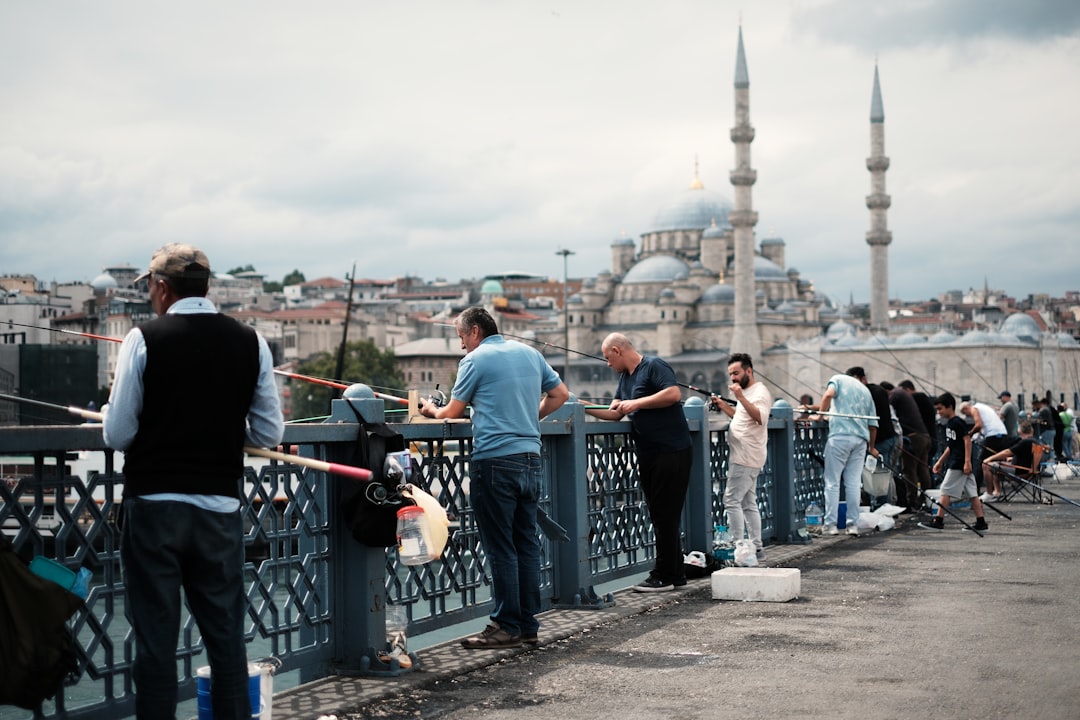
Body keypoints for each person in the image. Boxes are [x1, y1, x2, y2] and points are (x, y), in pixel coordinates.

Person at [103, 243, 284, 720]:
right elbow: (269, 432)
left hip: (154, 506)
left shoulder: (143, 339)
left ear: (161, 289)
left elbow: (119, 433)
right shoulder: (251, 341)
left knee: (156, 643)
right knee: (225, 640)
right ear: (207, 286)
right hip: (219, 509)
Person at [419, 307, 568, 649]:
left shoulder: (475, 360)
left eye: (460, 337)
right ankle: (527, 625)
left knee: (501, 547)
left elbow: (452, 413)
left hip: (495, 461)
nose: (461, 346)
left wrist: (430, 411)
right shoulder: (531, 354)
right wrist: (532, 416)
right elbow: (561, 395)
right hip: (531, 458)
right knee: (526, 543)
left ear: (474, 332)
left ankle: (505, 625)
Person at [585, 333, 692, 591]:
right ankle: (674, 573)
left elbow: (673, 393)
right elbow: (613, 414)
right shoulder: (625, 379)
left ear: (616, 350)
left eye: (608, 358)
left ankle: (663, 575)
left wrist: (636, 403)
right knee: (659, 513)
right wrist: (579, 405)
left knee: (665, 514)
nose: (608, 364)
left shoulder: (654, 366)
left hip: (671, 451)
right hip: (649, 453)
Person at [710, 353, 772, 562]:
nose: (733, 378)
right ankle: (757, 547)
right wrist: (723, 405)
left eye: (736, 373)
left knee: (731, 500)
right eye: (730, 375)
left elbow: (760, 418)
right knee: (748, 502)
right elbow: (741, 417)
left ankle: (738, 548)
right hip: (746, 455)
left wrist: (740, 397)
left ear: (749, 371)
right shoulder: (748, 392)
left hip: (746, 456)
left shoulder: (759, 392)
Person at [805, 367, 878, 536]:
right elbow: (873, 425)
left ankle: (831, 524)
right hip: (860, 440)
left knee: (832, 481)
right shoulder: (866, 391)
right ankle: (852, 524)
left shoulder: (837, 379)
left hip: (839, 436)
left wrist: (819, 417)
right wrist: (871, 446)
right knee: (853, 483)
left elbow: (828, 395)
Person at [920, 392, 988, 533]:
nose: (939, 412)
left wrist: (967, 462)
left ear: (950, 407)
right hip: (959, 461)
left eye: (940, 409)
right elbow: (951, 446)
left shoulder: (958, 422)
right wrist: (939, 461)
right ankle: (981, 522)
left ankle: (938, 521)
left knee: (945, 490)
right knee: (972, 493)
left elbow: (967, 440)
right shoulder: (950, 424)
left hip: (959, 463)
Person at [888, 381, 931, 513]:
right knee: (923, 469)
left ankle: (911, 501)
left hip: (913, 438)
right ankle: (927, 499)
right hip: (924, 435)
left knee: (909, 470)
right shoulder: (902, 394)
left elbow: (888, 411)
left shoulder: (895, 394)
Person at [959, 401, 1010, 503]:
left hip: (993, 436)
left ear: (966, 408)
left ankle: (982, 492)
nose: (967, 416)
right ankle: (997, 491)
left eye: (965, 414)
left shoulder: (975, 408)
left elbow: (978, 425)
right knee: (995, 464)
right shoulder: (984, 407)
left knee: (982, 463)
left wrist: (969, 434)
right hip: (1002, 434)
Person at [982, 420, 1039, 490]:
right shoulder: (1035, 441)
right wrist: (1013, 458)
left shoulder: (1025, 442)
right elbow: (1029, 457)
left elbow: (1007, 452)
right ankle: (996, 492)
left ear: (1019, 431)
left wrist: (990, 458)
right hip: (1028, 471)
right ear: (1032, 431)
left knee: (987, 465)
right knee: (995, 466)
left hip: (1020, 472)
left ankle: (989, 493)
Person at [900, 380, 939, 476]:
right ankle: (927, 489)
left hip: (924, 438)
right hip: (931, 438)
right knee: (925, 468)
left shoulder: (917, 398)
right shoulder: (924, 398)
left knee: (920, 468)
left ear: (908, 389)